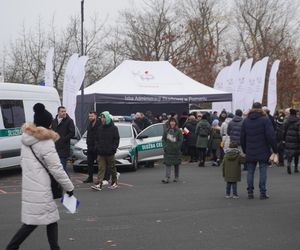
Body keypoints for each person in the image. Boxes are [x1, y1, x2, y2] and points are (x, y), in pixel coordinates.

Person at [6, 103, 74, 250]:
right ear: (49, 123)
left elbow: (23, 163)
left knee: (49, 219)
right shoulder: (45, 141)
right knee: (34, 222)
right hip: (42, 187)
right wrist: (69, 187)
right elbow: (56, 168)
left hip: (31, 185)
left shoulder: (26, 139)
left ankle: (54, 248)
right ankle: (12, 247)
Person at [241, 102, 278, 200]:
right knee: (263, 171)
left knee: (250, 171)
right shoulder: (265, 120)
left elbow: (242, 137)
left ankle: (250, 192)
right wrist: (275, 149)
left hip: (250, 149)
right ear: (261, 109)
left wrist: (245, 150)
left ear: (252, 108)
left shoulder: (246, 121)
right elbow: (271, 136)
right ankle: (262, 192)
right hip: (263, 149)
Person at [91, 111, 120, 191]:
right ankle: (99, 184)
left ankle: (114, 182)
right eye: (101, 118)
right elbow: (96, 139)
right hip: (101, 152)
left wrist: (113, 148)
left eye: (104, 118)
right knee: (101, 168)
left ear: (107, 118)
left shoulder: (114, 128)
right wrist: (97, 147)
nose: (102, 119)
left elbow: (116, 139)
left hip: (110, 152)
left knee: (112, 168)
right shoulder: (100, 128)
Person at [51, 106, 75, 174]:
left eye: (65, 111)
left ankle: (66, 183)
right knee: (56, 169)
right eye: (62, 111)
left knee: (63, 168)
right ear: (58, 112)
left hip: (64, 148)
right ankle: (61, 183)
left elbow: (72, 133)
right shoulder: (54, 121)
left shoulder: (69, 121)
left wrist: (63, 139)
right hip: (55, 148)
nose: (64, 113)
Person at [161, 117, 183, 183]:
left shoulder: (178, 131)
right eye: (171, 121)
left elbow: (180, 140)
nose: (172, 123)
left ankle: (176, 177)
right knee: (168, 164)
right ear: (169, 122)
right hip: (168, 150)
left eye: (173, 121)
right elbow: (163, 139)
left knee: (176, 164)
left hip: (176, 150)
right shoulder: (166, 131)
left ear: (175, 123)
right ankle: (167, 177)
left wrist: (177, 146)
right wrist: (165, 146)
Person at [83, 111, 101, 183]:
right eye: (89, 116)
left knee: (100, 164)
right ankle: (90, 177)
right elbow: (88, 135)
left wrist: (97, 146)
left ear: (95, 116)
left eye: (92, 116)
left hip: (97, 148)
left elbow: (100, 136)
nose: (90, 118)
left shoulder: (99, 124)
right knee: (89, 163)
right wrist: (87, 143)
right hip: (90, 147)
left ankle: (101, 179)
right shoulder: (89, 124)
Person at [283, 108, 300, 174]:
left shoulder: (287, 120)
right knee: (296, 154)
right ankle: (295, 168)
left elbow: (284, 131)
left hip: (288, 139)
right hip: (296, 139)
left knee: (289, 153)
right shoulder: (298, 121)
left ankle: (289, 164)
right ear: (295, 113)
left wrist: (283, 139)